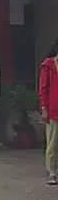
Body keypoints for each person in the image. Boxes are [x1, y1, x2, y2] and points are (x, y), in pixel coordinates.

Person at [39, 41, 58, 185]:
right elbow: (43, 88)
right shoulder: (49, 65)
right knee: (53, 143)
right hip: (53, 111)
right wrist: (44, 108)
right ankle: (52, 172)